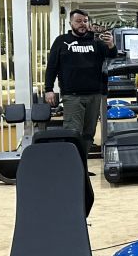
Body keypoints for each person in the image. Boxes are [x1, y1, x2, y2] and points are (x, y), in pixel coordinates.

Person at [44, 9, 115, 159]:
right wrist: (48, 89)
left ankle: (82, 163)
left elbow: (112, 56)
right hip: (72, 96)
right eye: (78, 21)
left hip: (94, 94)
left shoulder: (97, 41)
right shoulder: (61, 41)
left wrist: (111, 45)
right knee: (73, 132)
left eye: (85, 21)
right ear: (70, 23)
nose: (82, 24)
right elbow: (52, 66)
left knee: (89, 133)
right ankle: (71, 164)